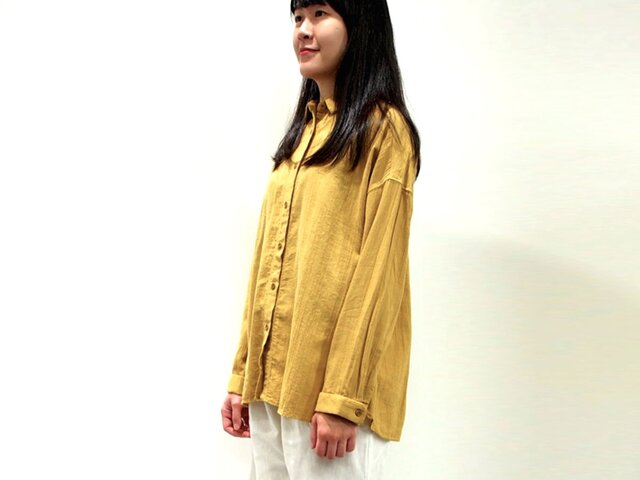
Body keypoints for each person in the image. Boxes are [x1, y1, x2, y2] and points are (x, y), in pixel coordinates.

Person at [221, 1, 421, 478]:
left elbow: (379, 275)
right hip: (272, 388)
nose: (304, 31)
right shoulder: (303, 133)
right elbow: (266, 265)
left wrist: (342, 398)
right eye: (297, 18)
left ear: (360, 24)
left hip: (329, 402)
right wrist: (242, 373)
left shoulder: (384, 131)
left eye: (320, 14)